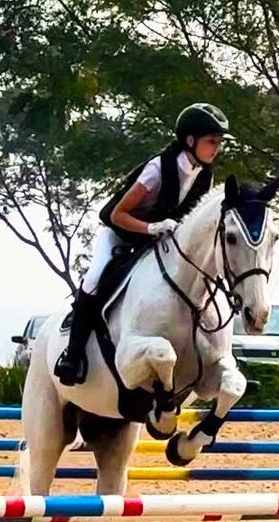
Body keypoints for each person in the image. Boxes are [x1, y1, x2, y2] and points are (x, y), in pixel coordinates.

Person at [54, 103, 230, 386]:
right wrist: (151, 227)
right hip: (121, 234)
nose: (216, 148)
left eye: (218, 142)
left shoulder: (204, 176)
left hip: (159, 241)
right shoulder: (158, 169)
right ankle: (72, 356)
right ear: (190, 140)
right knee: (96, 278)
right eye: (211, 141)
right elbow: (117, 215)